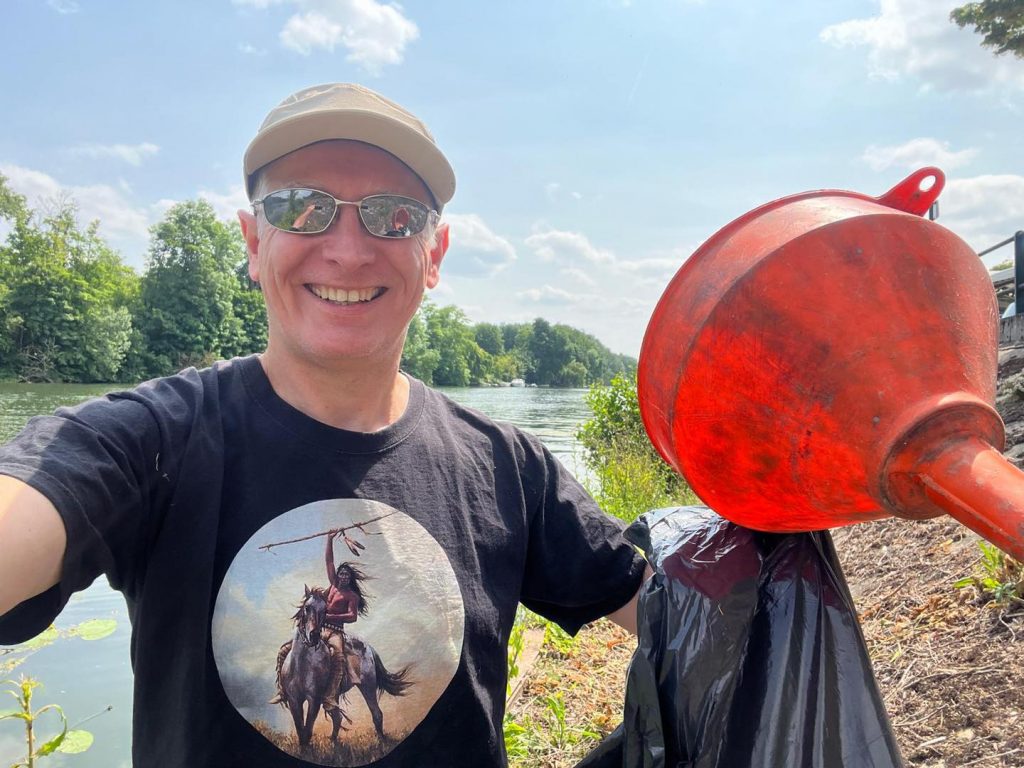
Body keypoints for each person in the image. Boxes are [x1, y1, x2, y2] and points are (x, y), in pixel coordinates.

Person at [0, 83, 649, 767]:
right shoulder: (149, 438)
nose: (348, 250)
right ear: (254, 242)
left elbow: (672, 613)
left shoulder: (507, 467)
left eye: (393, 215)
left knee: (340, 656)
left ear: (434, 254)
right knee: (294, 655)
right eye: (301, 208)